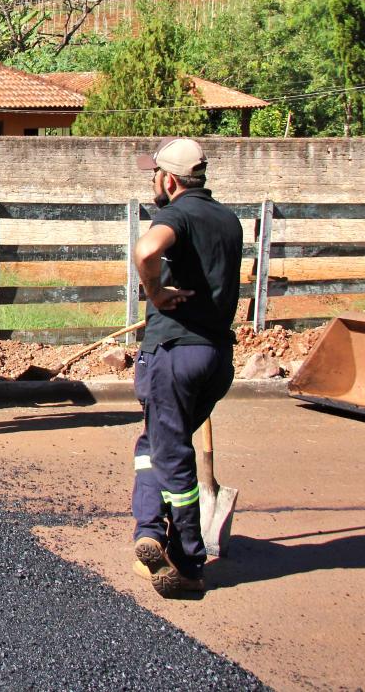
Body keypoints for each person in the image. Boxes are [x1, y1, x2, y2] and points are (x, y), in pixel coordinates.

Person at [128, 137, 242, 598]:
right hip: (215, 356)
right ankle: (149, 530)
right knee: (152, 442)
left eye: (155, 175)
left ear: (169, 179)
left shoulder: (175, 214)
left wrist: (154, 293)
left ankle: (189, 561)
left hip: (175, 354)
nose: (154, 183)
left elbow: (146, 251)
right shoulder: (227, 219)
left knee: (172, 454)